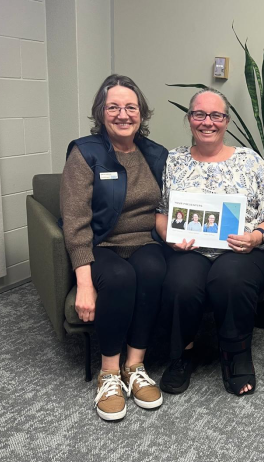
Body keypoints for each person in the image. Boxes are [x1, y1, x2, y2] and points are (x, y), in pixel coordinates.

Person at [156, 88, 264, 396]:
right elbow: (161, 212)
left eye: (216, 115)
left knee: (229, 278)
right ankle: (183, 353)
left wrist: (256, 237)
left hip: (244, 250)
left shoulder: (249, 160)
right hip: (189, 248)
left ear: (226, 121)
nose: (208, 122)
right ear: (189, 119)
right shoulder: (173, 160)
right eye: (199, 114)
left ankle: (236, 353)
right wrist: (171, 237)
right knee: (181, 283)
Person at [60, 74, 168, 421]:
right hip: (100, 243)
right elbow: (75, 222)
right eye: (114, 107)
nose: (123, 114)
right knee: (120, 278)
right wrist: (85, 282)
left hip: (144, 241)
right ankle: (109, 372)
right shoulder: (85, 152)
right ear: (101, 112)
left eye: (131, 107)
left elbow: (169, 206)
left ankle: (135, 366)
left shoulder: (155, 154)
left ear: (142, 113)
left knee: (153, 270)